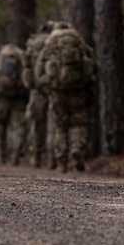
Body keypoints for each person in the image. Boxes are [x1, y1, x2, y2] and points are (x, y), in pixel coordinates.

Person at [38, 21, 96, 172]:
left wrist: (47, 86)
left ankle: (62, 161)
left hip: (57, 92)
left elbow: (39, 71)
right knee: (79, 124)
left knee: (60, 127)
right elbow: (92, 66)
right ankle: (77, 149)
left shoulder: (50, 44)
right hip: (78, 90)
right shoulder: (78, 42)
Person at [0, 44, 30, 164]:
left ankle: (0, 154)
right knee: (18, 127)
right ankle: (14, 155)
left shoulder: (2, 57)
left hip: (1, 99)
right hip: (18, 99)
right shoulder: (21, 55)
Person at [24, 22, 54, 168]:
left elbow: (27, 68)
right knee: (52, 124)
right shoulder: (55, 43)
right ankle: (51, 159)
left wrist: (30, 85)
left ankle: (35, 156)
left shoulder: (33, 43)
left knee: (36, 123)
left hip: (37, 90)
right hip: (54, 90)